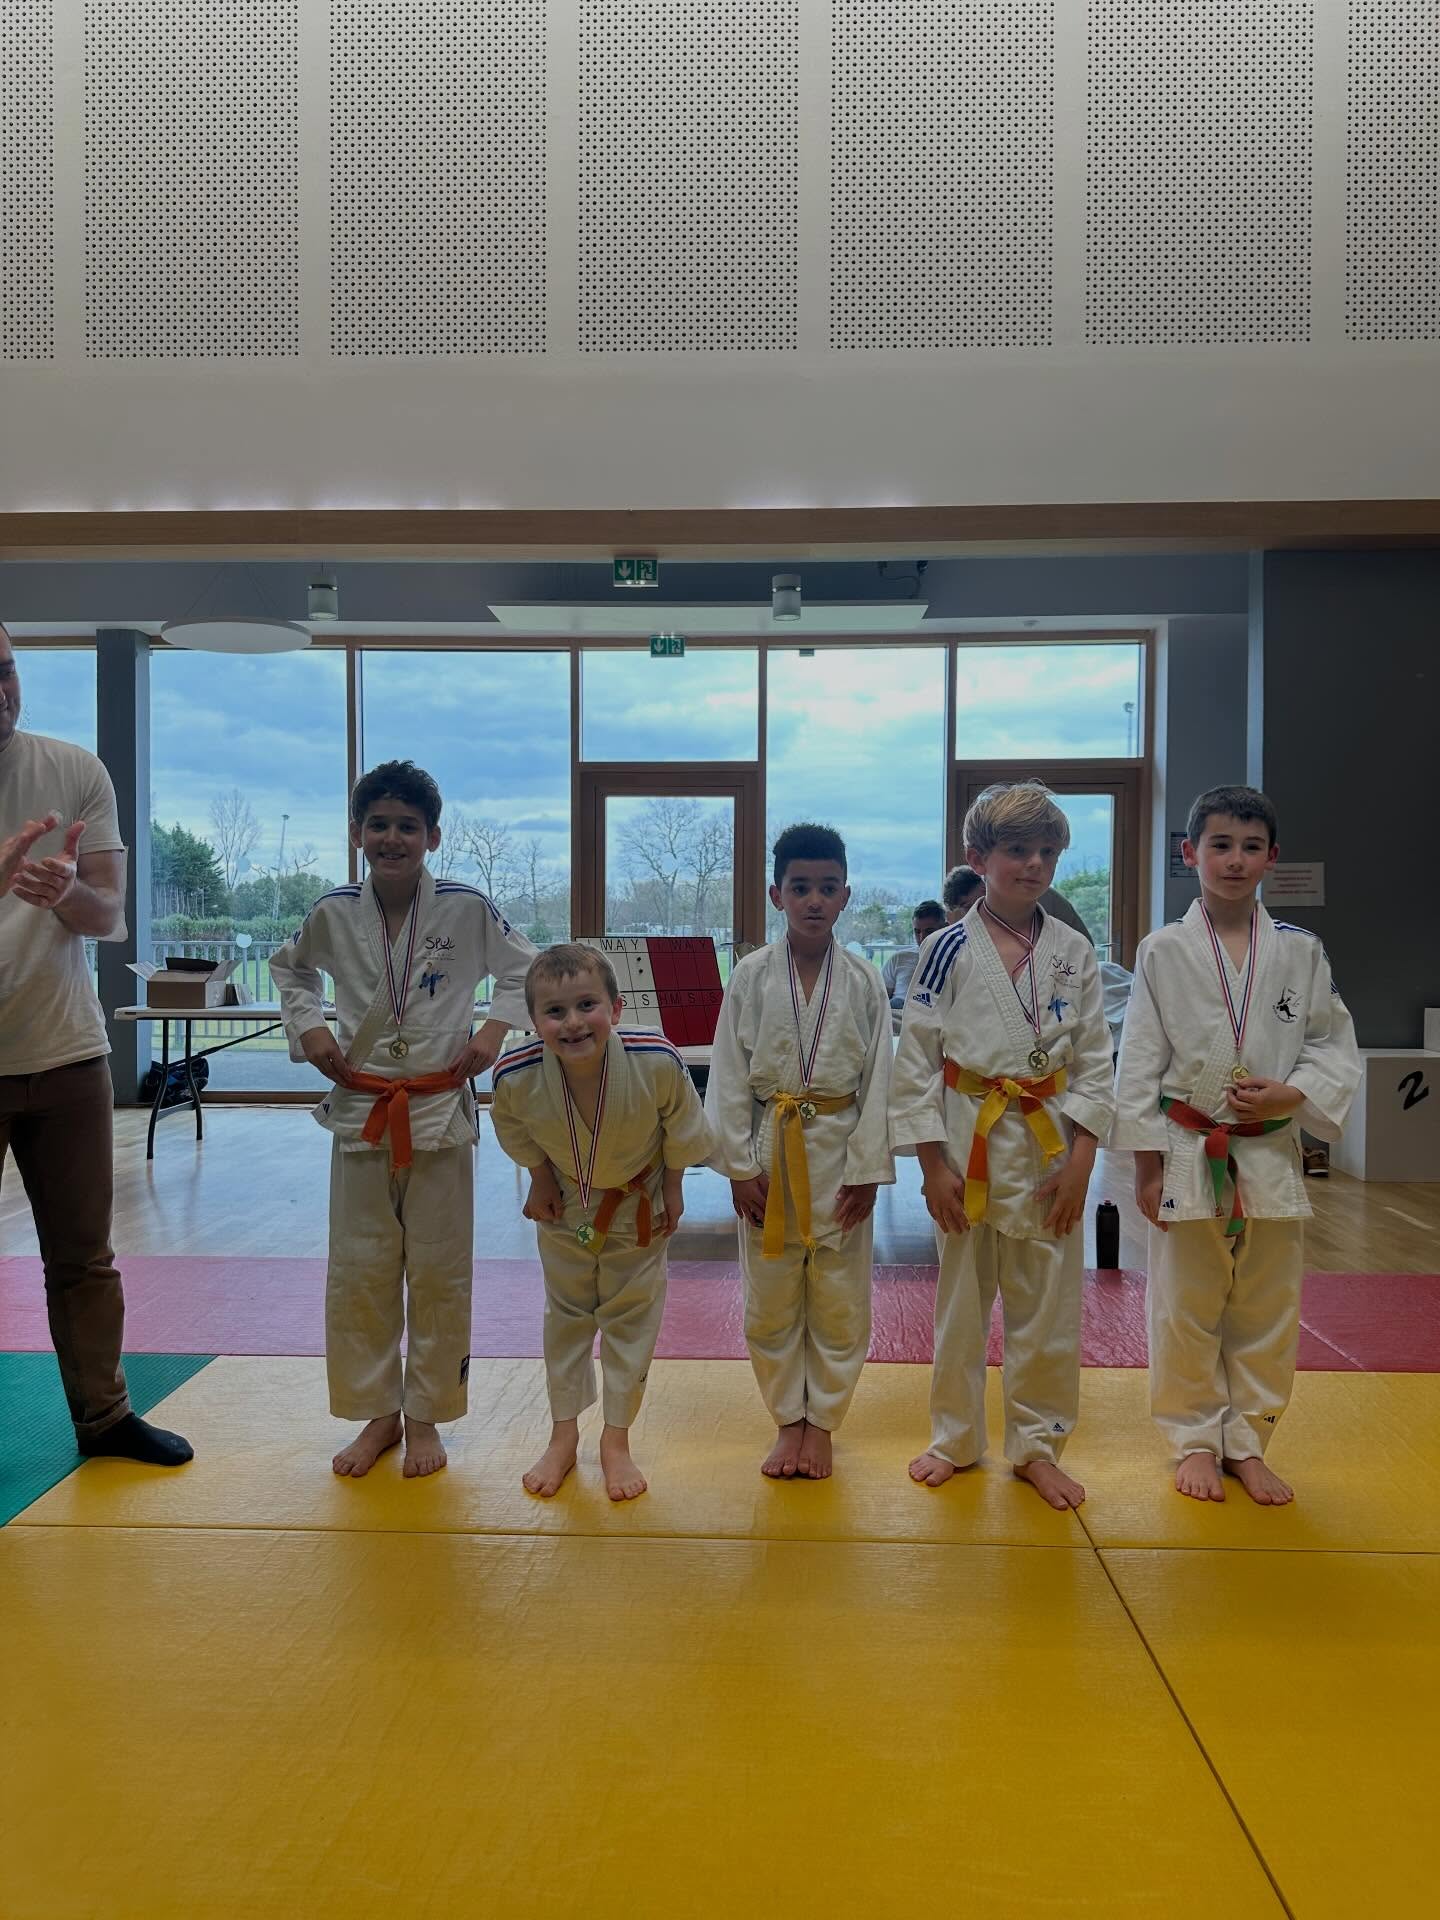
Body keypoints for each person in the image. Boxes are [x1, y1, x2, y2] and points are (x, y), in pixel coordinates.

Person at [270, 759, 536, 1480]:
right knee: (361, 1267)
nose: (393, 838)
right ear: (356, 832)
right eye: (379, 825)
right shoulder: (333, 911)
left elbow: (525, 968)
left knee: (440, 1268)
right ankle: (378, 1413)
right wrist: (309, 1029)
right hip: (363, 1108)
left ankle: (426, 1415)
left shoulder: (465, 908)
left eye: (408, 827)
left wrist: (494, 1030)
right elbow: (290, 968)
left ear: (433, 837)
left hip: (438, 1107)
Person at [1113, 784, 1360, 1506]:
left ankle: (1248, 1441)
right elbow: (1140, 1060)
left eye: (1251, 847)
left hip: (1268, 1150)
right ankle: (1194, 1436)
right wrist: (1146, 1166)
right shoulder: (1162, 950)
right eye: (1220, 845)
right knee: (1186, 1301)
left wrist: (1294, 1093)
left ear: (1271, 858)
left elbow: (1330, 1043)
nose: (1235, 860)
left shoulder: (1301, 951)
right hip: (1190, 1148)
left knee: (1267, 1303)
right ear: (1190, 853)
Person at [891, 782, 1114, 1509]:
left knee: (1049, 1309)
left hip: (1050, 1148)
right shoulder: (944, 949)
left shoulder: (1074, 950)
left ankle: (1038, 1447)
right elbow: (916, 1060)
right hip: (968, 1143)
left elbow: (1095, 1061)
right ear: (977, 857)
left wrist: (1083, 1161)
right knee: (960, 1304)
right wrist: (931, 1166)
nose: (1035, 864)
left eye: (1048, 851)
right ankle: (955, 1437)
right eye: (1018, 850)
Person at [0, 626, 192, 1466]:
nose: (0, 693)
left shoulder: (74, 769)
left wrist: (68, 890)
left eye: (6, 672)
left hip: (67, 1051)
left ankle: (105, 1418)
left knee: (84, 1258)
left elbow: (109, 917)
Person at [490, 944, 711, 1502]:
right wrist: (539, 1176)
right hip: (563, 1200)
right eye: (554, 1011)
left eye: (586, 1005)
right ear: (533, 1020)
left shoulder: (655, 1057)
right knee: (565, 1315)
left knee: (631, 1318)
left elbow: (684, 1125)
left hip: (638, 1200)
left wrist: (674, 1186)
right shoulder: (515, 1073)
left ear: (615, 1008)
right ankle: (563, 1435)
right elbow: (512, 1128)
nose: (572, 1022)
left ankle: (617, 1439)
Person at [707, 823, 894, 1481]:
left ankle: (824, 1424)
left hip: (841, 1150)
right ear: (776, 894)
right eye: (800, 888)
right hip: (770, 1150)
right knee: (771, 1297)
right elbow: (729, 1074)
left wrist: (869, 1170)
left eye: (828, 888)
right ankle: (788, 1419)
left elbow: (880, 1080)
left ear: (847, 895)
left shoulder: (865, 980)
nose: (814, 900)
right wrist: (738, 1167)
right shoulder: (751, 976)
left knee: (841, 1299)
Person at [882, 899, 946, 1008]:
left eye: (929, 931)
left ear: (945, 928)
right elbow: (881, 1000)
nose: (922, 938)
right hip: (897, 1012)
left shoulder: (955, 960)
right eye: (917, 931)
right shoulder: (899, 958)